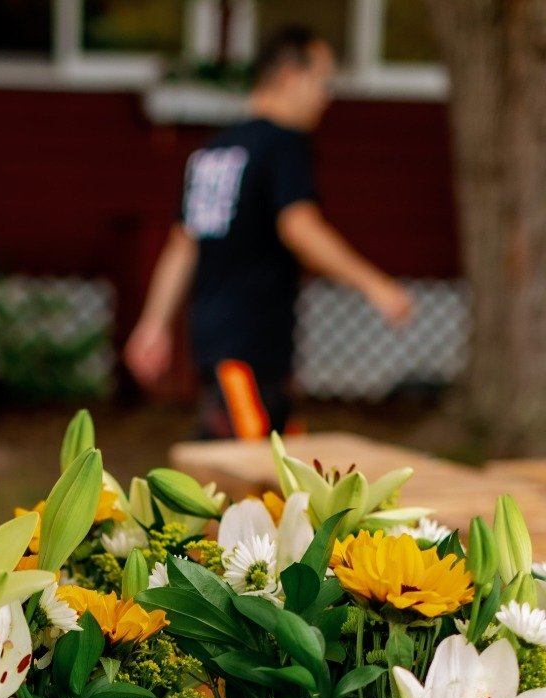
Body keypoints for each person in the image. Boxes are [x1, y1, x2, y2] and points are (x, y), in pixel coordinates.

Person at [124, 24, 414, 437]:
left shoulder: (213, 152)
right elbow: (300, 227)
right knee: (245, 467)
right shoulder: (284, 143)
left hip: (216, 343)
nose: (326, 96)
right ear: (290, 77)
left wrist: (152, 325)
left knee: (261, 465)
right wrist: (376, 285)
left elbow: (183, 244)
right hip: (251, 343)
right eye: (322, 81)